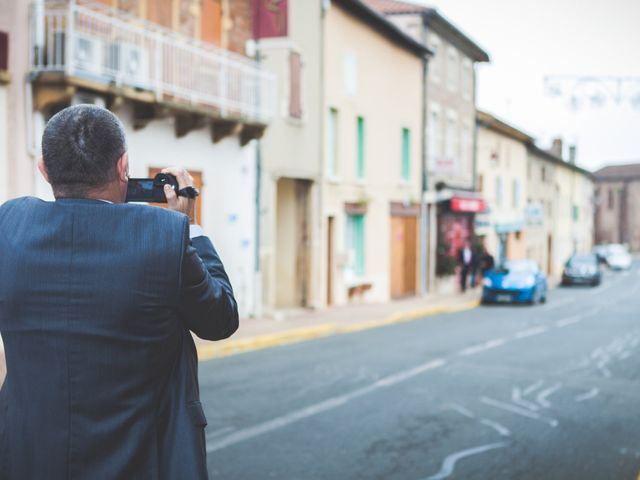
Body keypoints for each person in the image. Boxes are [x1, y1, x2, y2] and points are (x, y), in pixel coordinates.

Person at [0, 105, 239, 479]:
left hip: (28, 459)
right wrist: (190, 226)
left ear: (44, 169)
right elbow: (220, 318)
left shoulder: (8, 227)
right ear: (123, 166)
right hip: (140, 462)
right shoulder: (163, 235)